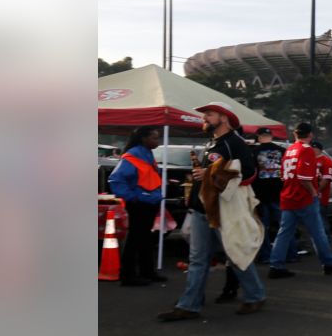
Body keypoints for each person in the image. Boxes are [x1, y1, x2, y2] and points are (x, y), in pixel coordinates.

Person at [158, 102, 268, 320]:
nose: (204, 118)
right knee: (198, 258)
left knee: (234, 253)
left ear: (224, 118)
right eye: (204, 115)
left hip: (224, 209)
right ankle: (189, 304)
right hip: (203, 209)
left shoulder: (235, 143)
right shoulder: (212, 143)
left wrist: (210, 173)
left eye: (208, 114)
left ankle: (255, 296)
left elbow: (249, 173)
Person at [266, 122, 332, 279]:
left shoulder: (289, 150)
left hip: (288, 196)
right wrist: (314, 192)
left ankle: (275, 264)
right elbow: (304, 178)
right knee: (317, 233)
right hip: (303, 197)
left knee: (284, 233)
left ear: (295, 134)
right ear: (310, 135)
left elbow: (283, 175)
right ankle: (329, 263)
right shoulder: (306, 150)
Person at [108, 125, 167, 286]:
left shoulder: (146, 154)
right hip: (139, 203)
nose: (158, 141)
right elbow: (116, 180)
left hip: (148, 202)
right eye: (155, 138)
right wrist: (132, 198)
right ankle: (128, 276)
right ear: (144, 139)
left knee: (145, 239)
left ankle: (147, 272)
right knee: (135, 239)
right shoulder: (133, 156)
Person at [251, 128, 285, 263]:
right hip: (279, 192)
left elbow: (251, 173)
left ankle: (265, 255)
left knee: (262, 227)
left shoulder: (254, 152)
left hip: (261, 194)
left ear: (259, 137)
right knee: (284, 226)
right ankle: (287, 253)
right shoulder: (282, 151)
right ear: (271, 136)